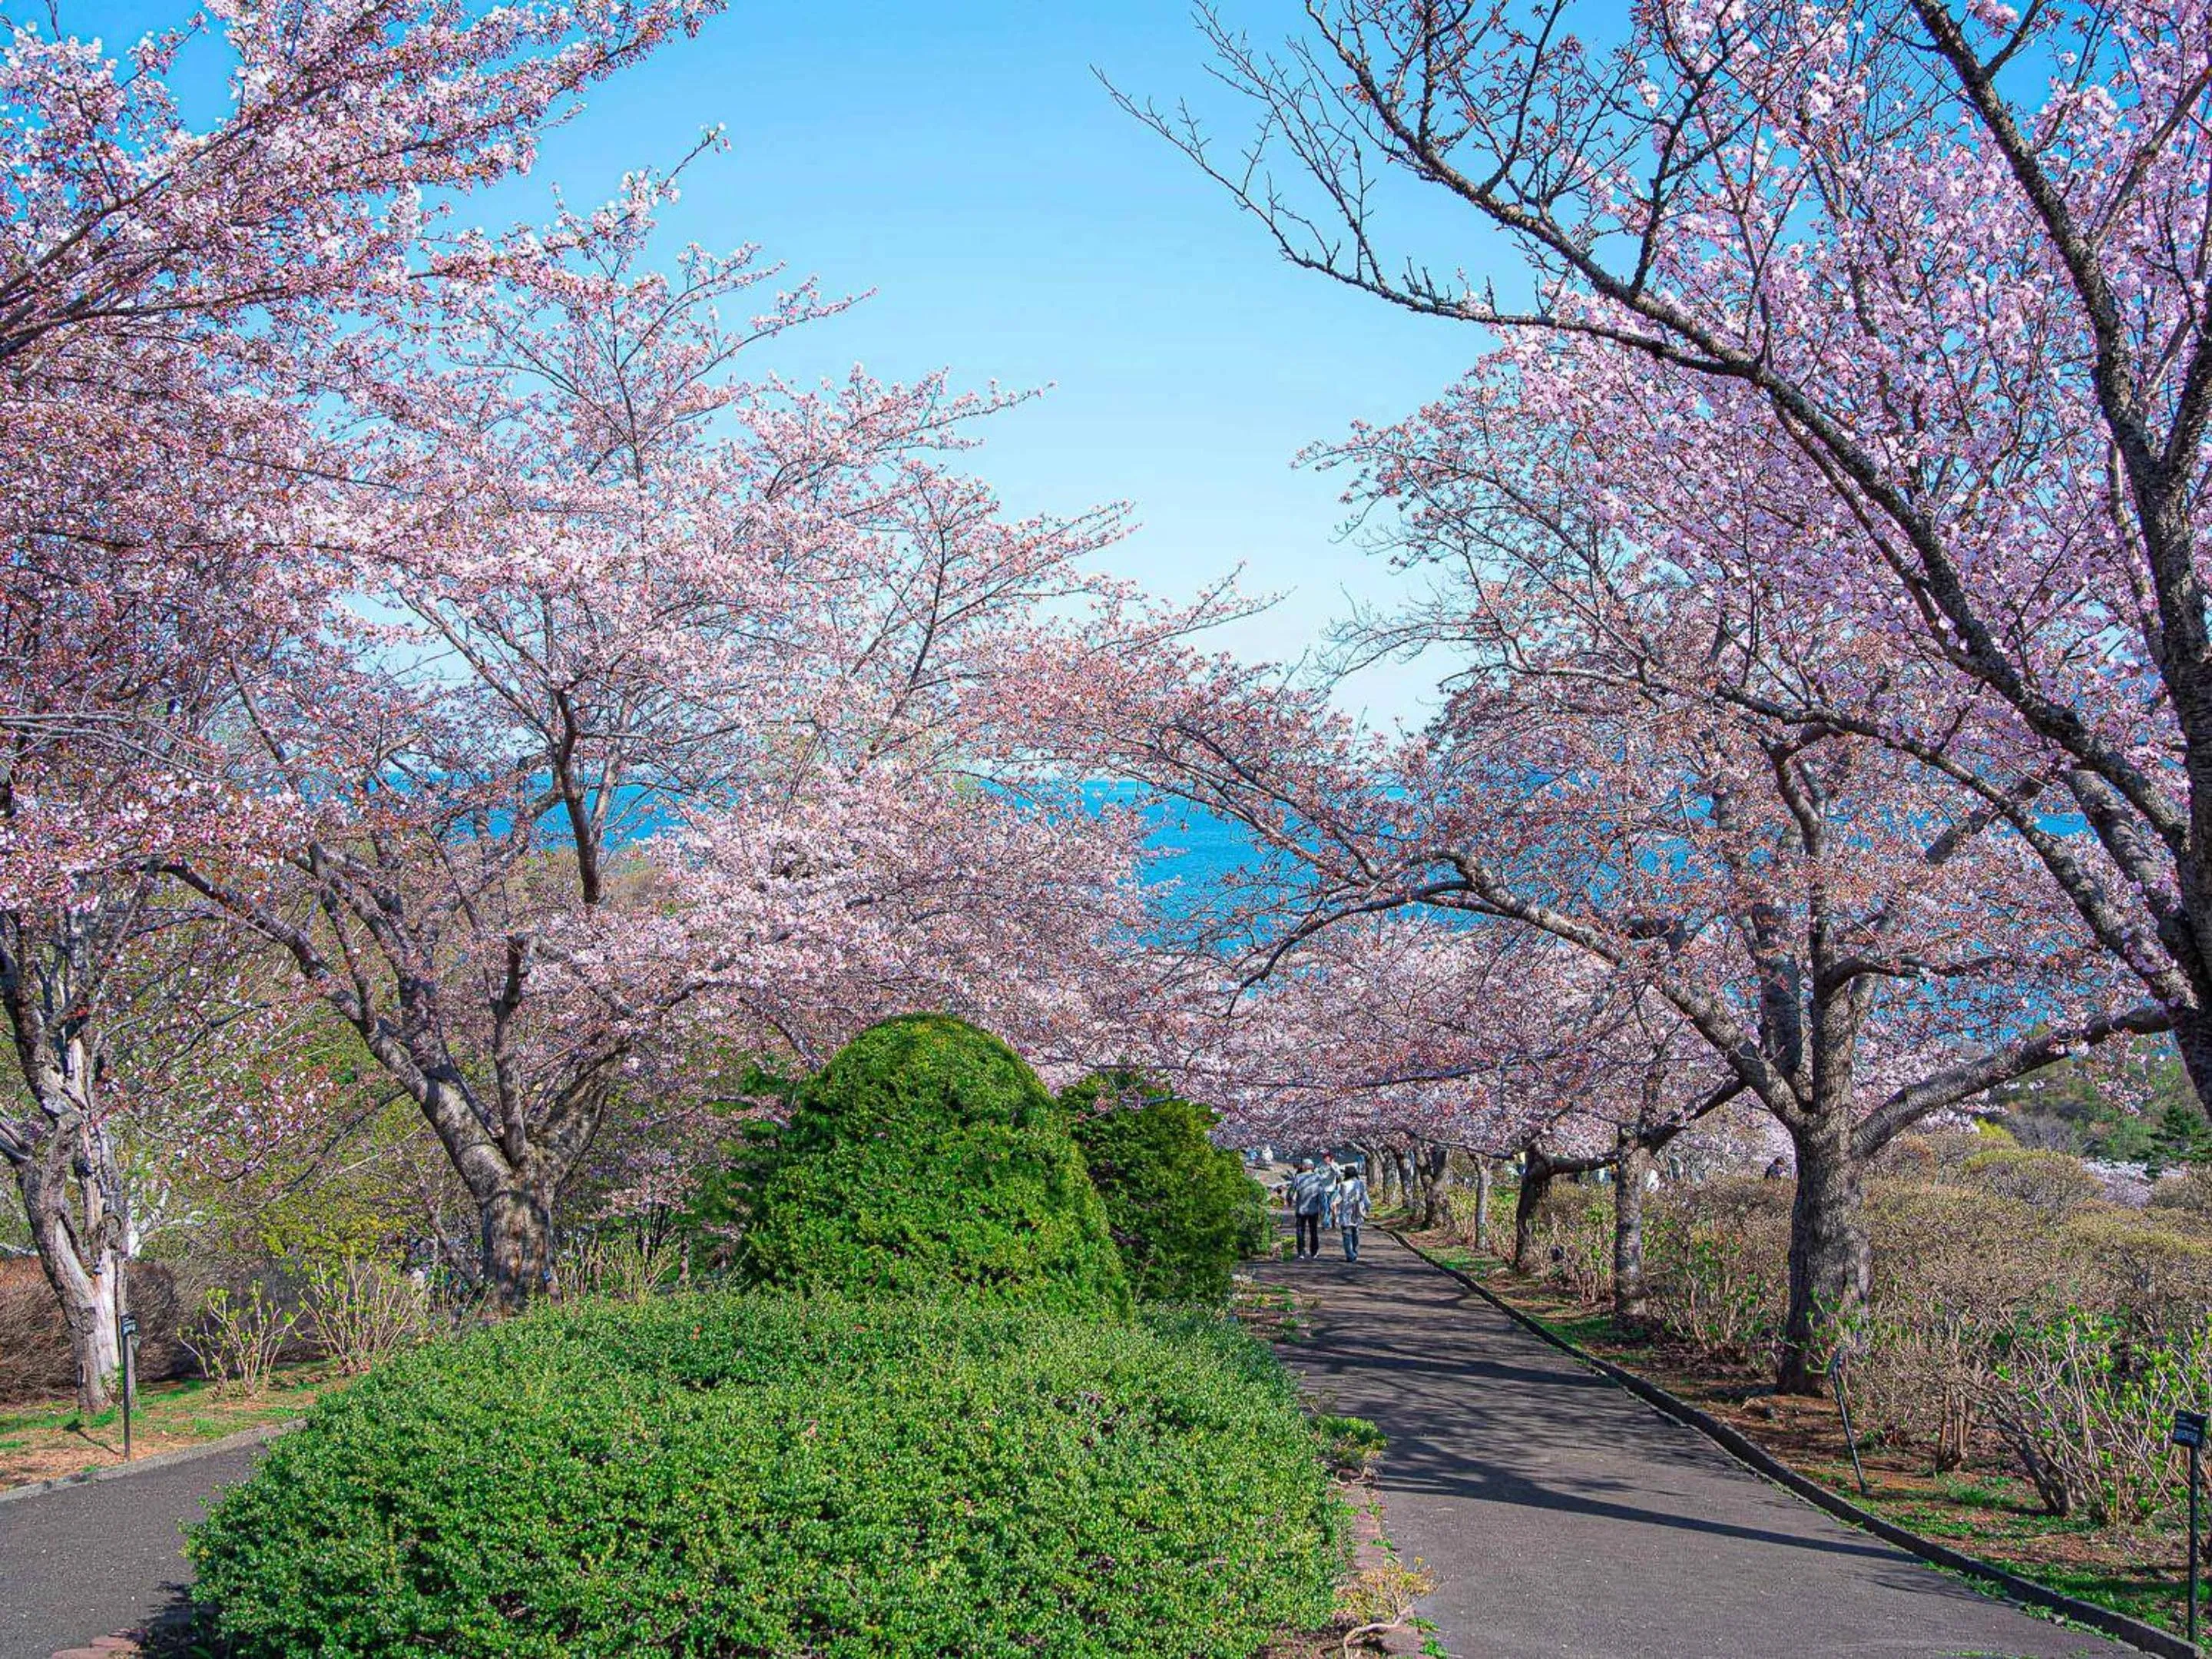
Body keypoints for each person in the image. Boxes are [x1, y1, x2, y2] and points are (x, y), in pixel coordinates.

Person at [1288, 1157, 1329, 1259]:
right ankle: (1314, 1252)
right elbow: (1322, 1194)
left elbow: (1291, 1192)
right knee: (1313, 1231)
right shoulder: (1318, 1178)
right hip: (1313, 1209)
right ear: (1312, 1167)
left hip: (1301, 1209)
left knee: (1300, 1231)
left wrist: (1289, 1201)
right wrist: (1323, 1208)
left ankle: (1301, 1252)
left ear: (1304, 1167)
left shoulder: (1298, 1178)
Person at [1336, 1161, 1371, 1261]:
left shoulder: (1343, 1184)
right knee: (1355, 1232)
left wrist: (1334, 1206)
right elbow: (1365, 1196)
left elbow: (1341, 1198)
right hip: (1357, 1211)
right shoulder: (1360, 1183)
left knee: (1347, 1234)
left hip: (1346, 1211)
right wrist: (1368, 1206)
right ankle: (1354, 1253)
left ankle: (1350, 1255)